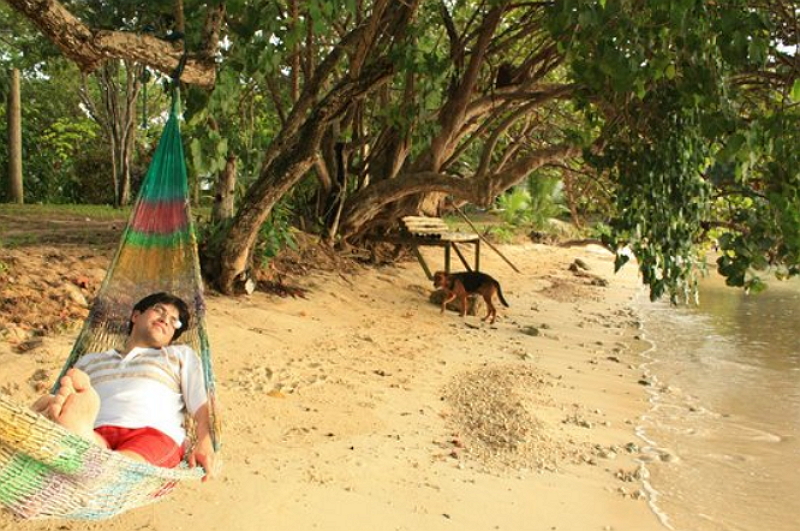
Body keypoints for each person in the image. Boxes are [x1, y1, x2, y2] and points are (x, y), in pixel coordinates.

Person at [33, 292, 215, 480]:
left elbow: (202, 407)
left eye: (174, 321)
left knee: (115, 469)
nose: (165, 319)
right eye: (158, 310)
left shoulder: (179, 355)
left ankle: (88, 454)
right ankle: (80, 433)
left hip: (154, 434)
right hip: (97, 431)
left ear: (171, 337)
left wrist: (205, 442)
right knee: (82, 430)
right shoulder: (90, 361)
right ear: (136, 316)